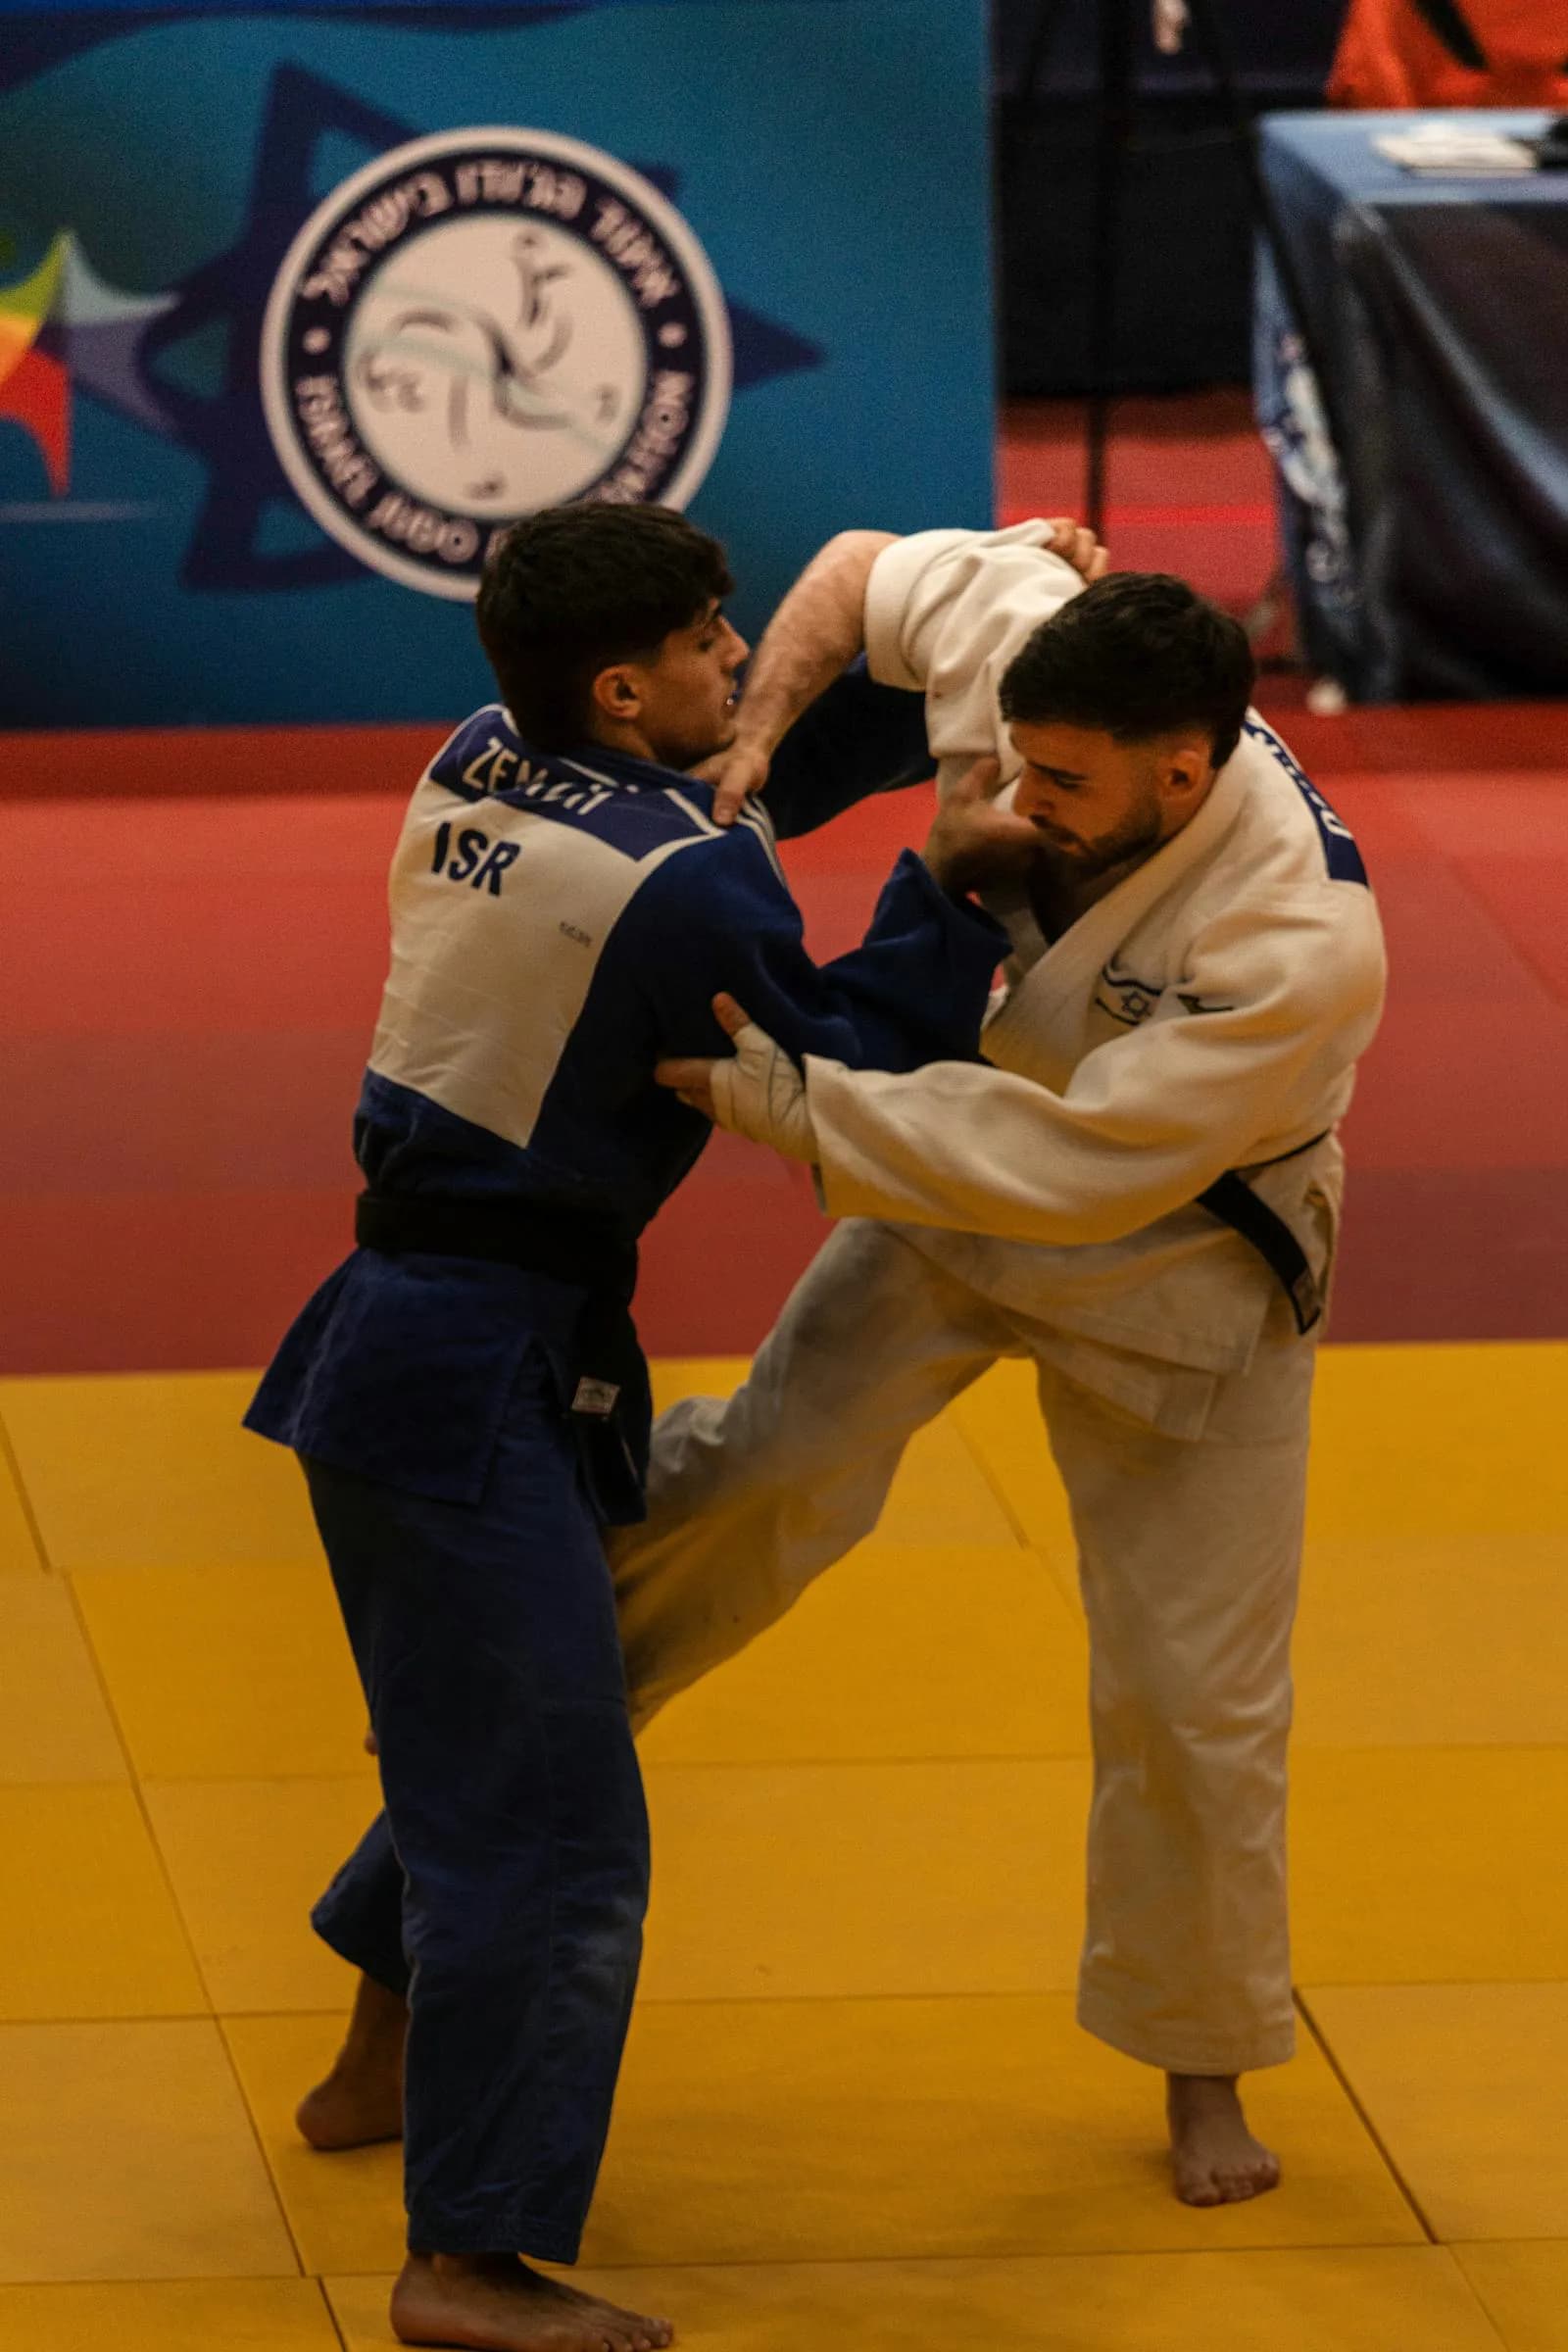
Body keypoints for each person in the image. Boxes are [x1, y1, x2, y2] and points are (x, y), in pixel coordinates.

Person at [244, 502, 1061, 2352]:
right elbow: (842, 1068)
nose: (734, 653)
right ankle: (468, 2262)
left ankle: (381, 2056)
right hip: (466, 1371)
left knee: (528, 1716)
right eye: (708, 639)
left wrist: (919, 690)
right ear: (625, 686)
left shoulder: (486, 754)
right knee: (553, 1823)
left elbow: (729, 799)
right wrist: (953, 876)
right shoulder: (680, 887)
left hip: (431, 1342)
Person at [623, 537, 1388, 2209]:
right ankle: (529, 1696)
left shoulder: (1300, 942)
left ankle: (1203, 2067)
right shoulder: (1042, 644)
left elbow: (1087, 1161)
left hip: (1185, 1258)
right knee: (761, 1473)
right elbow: (849, 578)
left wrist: (798, 1104)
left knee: (1196, 1693)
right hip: (952, 1192)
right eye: (1016, 762)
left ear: (1185, 775)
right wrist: (757, 736)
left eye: (1063, 785)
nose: (1017, 800)